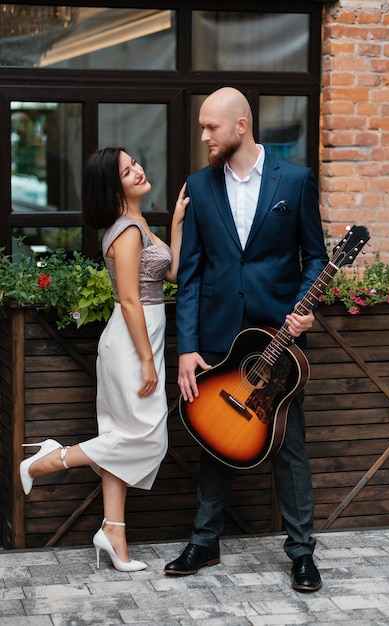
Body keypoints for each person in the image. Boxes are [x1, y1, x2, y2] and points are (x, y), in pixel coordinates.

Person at [164, 87, 328, 592]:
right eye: (202, 127)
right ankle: (204, 540)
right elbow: (189, 275)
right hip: (215, 337)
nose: (204, 136)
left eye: (212, 127)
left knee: (288, 446)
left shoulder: (295, 180)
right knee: (215, 440)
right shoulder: (198, 184)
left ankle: (301, 551)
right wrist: (186, 347)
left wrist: (303, 311)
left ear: (241, 126)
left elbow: (317, 258)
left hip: (275, 339)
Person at [20, 147, 189, 572]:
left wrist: (177, 226)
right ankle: (50, 460)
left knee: (122, 433)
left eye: (135, 164)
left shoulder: (139, 224)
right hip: (133, 340)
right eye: (126, 171)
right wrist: (149, 361)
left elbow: (172, 274)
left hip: (138, 335)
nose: (138, 171)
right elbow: (130, 299)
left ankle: (114, 531)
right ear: (111, 187)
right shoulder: (127, 231)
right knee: (147, 438)